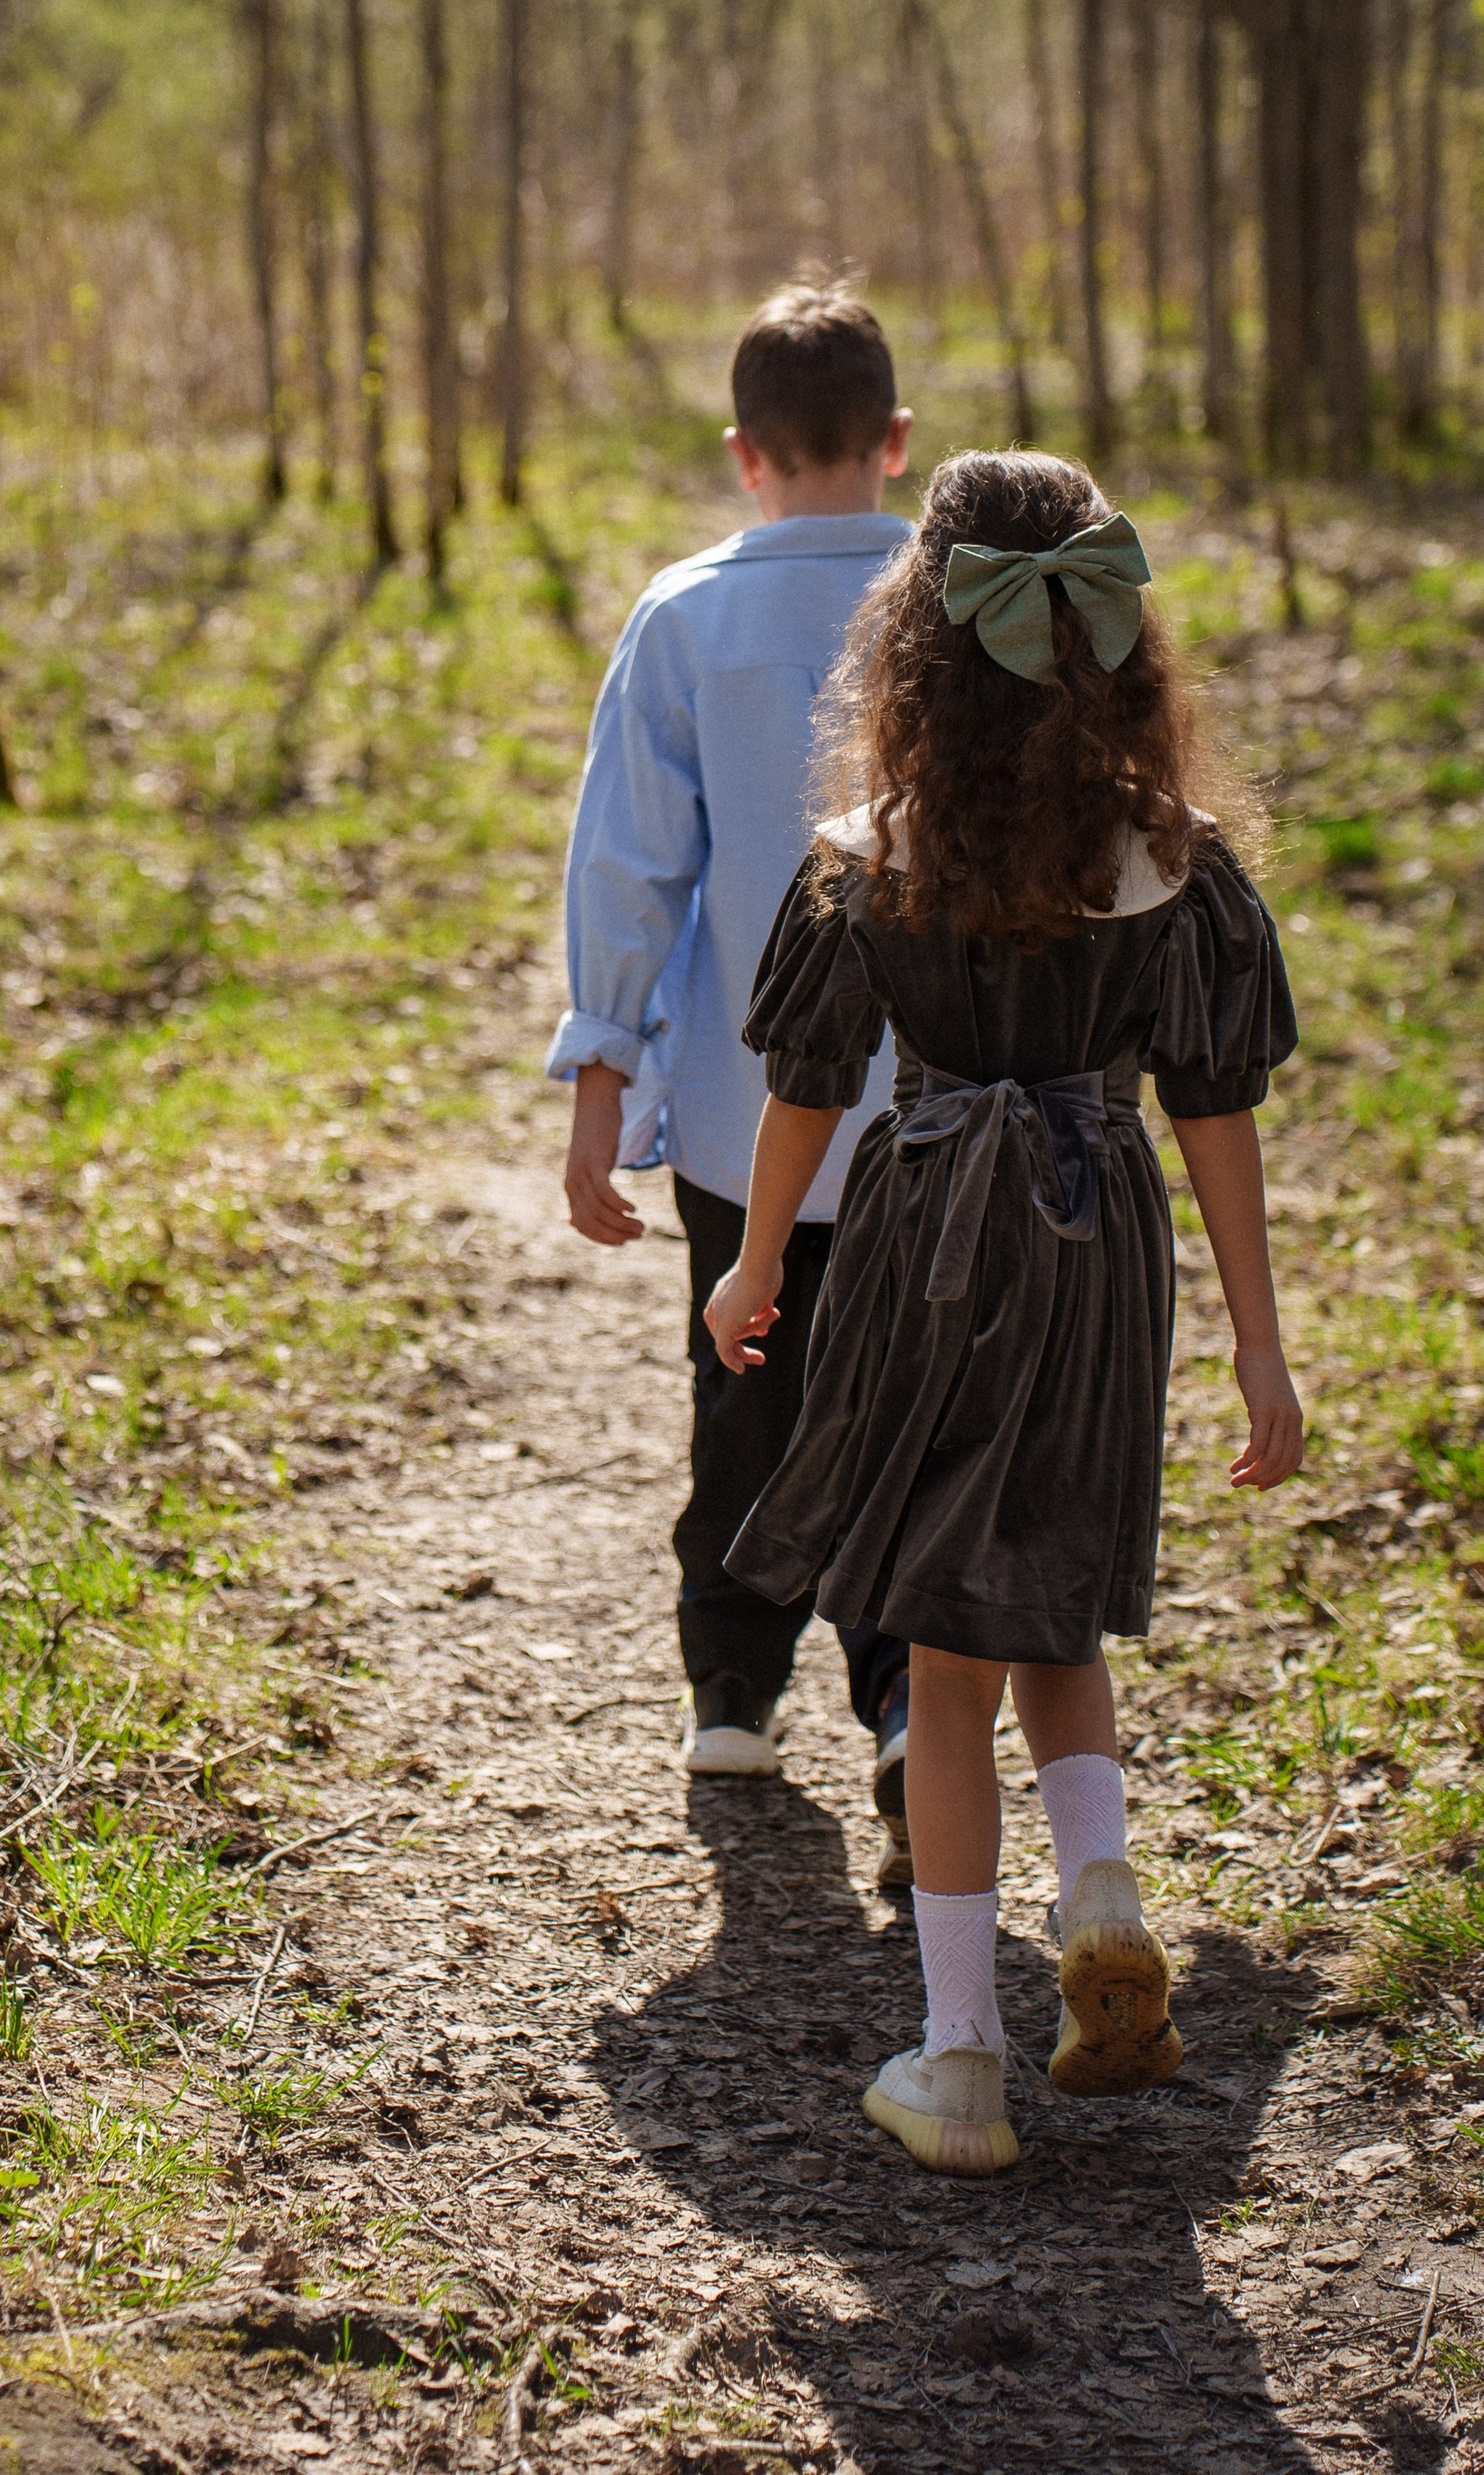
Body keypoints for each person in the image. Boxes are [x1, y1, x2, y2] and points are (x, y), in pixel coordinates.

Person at [702, 447, 1303, 2178]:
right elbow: (1215, 1111)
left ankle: (960, 2058)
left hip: (924, 1247)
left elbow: (809, 1093)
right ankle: (1100, 1887)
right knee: (1052, 1591)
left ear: (919, 648)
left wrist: (753, 1272)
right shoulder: (1176, 866)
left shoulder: (864, 860)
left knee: (945, 1662)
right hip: (1101, 1236)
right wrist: (1259, 1341)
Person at [550, 283, 915, 1859]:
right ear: (897, 445)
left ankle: (731, 1684)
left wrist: (598, 1081)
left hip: (736, 1106)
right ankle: (910, 1695)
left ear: (744, 454)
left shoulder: (685, 614)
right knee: (917, 1398)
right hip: (938, 1097)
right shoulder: (960, 598)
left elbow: (631, 865)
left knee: (746, 1368)